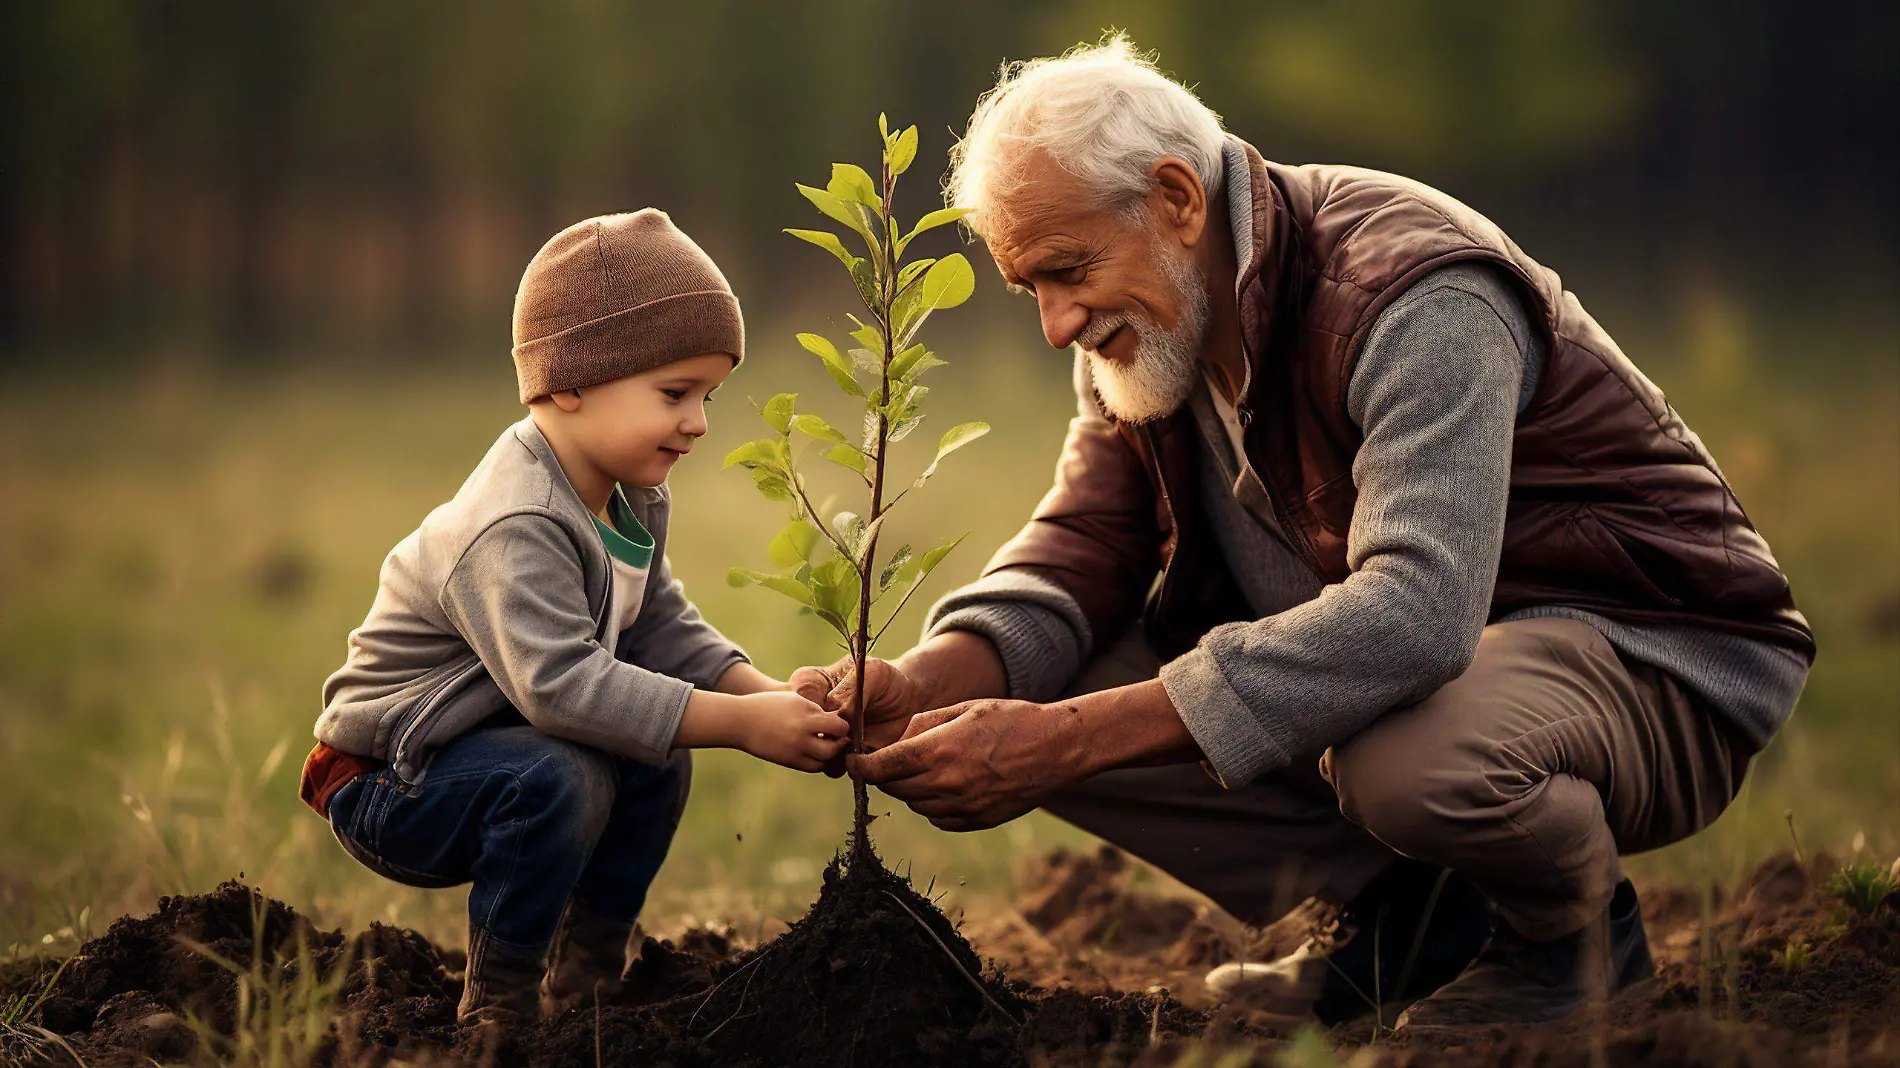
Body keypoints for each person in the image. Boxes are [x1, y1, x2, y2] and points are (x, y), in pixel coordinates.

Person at [793, 36, 1814, 1029]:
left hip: (1657, 652)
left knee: (1409, 766)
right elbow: (1086, 543)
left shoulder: (1413, 295)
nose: (1056, 323)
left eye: (1066, 272)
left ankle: (1572, 940)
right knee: (1030, 671)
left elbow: (1416, 617)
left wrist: (1059, 744)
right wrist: (932, 680)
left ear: (1176, 200)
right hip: (1433, 677)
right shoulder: (1148, 326)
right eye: (1032, 289)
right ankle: (1418, 923)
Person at [298, 210, 850, 1025]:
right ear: (569, 382)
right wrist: (738, 724)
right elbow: (561, 687)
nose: (698, 421)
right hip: (393, 779)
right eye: (675, 394)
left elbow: (657, 621)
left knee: (655, 759)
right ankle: (500, 1008)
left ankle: (586, 972)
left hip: (488, 747)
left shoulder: (627, 494)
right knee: (566, 773)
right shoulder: (515, 522)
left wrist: (765, 694)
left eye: (708, 395)